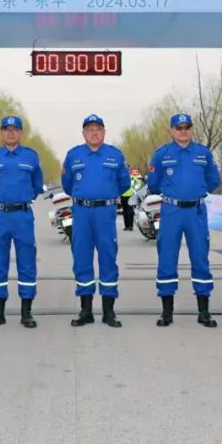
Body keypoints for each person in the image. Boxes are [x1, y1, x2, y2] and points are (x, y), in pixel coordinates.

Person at [147, 113, 220, 328]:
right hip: (171, 211)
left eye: (187, 127)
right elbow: (154, 183)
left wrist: (195, 191)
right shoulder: (162, 154)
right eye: (178, 128)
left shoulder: (203, 153)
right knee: (167, 258)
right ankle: (167, 312)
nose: (183, 131)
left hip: (196, 211)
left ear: (192, 129)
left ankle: (204, 312)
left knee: (200, 258)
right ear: (172, 131)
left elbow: (213, 180)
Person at [62, 114, 131, 328]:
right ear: (83, 133)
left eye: (98, 129)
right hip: (82, 212)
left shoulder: (115, 155)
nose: (94, 133)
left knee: (108, 257)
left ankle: (109, 311)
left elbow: (124, 183)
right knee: (82, 258)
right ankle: (86, 310)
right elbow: (67, 184)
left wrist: (104, 195)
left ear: (104, 132)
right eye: (90, 129)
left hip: (105, 212)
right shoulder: (73, 155)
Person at [0, 115, 45, 329]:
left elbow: (37, 185)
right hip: (0, 216)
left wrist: (22, 199)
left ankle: (26, 312)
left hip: (22, 216)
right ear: (2, 133)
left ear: (20, 133)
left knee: (26, 262)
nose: (11, 132)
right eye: (7, 129)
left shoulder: (31, 156)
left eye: (15, 129)